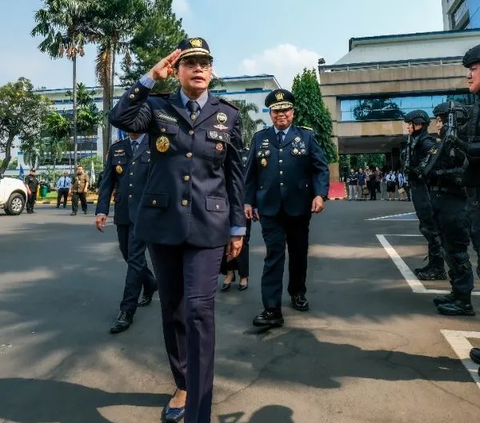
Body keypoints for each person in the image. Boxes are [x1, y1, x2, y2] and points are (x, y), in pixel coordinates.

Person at [109, 38, 245, 423]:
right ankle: (184, 383)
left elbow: (234, 176)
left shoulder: (228, 116)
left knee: (200, 310)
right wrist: (150, 77)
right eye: (189, 63)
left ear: (212, 71)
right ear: (178, 70)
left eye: (204, 62)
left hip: (209, 226)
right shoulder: (156, 107)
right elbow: (120, 117)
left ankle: (199, 412)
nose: (198, 68)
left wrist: (238, 229)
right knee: (173, 310)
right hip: (162, 225)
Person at [244, 88, 329, 328]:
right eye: (276, 111)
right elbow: (250, 173)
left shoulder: (307, 137)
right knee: (274, 256)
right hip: (269, 208)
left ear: (293, 112)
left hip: (299, 207)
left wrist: (320, 195)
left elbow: (320, 168)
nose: (281, 114)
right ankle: (271, 308)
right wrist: (248, 201)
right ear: (270, 114)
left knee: (299, 253)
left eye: (285, 110)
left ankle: (297, 292)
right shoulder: (260, 138)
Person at [95, 132, 158, 334]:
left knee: (136, 259)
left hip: (145, 212)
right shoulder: (117, 148)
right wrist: (102, 210)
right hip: (123, 212)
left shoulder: (156, 143)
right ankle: (150, 283)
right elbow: (107, 182)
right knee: (128, 255)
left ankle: (126, 310)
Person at [424, 102, 474, 316]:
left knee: (457, 252)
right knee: (448, 251)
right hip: (442, 200)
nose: (437, 123)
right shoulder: (444, 142)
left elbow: (464, 172)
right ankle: (457, 292)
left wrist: (442, 174)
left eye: (441, 119)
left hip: (455, 202)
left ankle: (464, 300)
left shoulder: (461, 143)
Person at [402, 110, 446, 281]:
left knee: (430, 228)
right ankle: (435, 264)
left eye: (410, 124)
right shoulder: (415, 141)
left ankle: (438, 267)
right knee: (427, 227)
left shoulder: (426, 143)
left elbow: (430, 168)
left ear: (419, 124)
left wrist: (418, 172)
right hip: (418, 188)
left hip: (425, 190)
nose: (408, 127)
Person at [220, 146, 251, 292]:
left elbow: (251, 180)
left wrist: (251, 203)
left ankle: (243, 276)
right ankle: (230, 273)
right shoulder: (219, 152)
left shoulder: (246, 154)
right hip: (221, 204)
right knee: (224, 241)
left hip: (242, 204)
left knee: (242, 242)